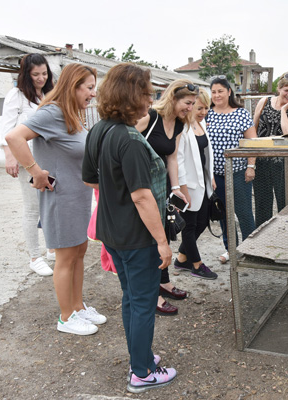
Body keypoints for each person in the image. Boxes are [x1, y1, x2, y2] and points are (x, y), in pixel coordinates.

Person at [82, 63, 177, 393]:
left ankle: (141, 356)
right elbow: (141, 196)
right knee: (143, 301)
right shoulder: (129, 140)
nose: (150, 99)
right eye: (147, 92)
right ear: (131, 95)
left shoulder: (100, 129)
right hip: (137, 238)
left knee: (131, 299)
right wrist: (162, 242)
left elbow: (89, 178)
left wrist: (114, 195)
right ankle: (142, 373)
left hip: (112, 233)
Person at [5, 63, 106, 336]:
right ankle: (65, 317)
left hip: (79, 195)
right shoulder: (51, 113)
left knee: (79, 252)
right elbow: (14, 137)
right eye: (89, 87)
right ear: (73, 86)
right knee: (65, 256)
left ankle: (77, 307)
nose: (93, 94)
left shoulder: (71, 114)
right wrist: (35, 172)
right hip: (61, 198)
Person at [135, 79, 195, 315]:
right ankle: (152, 294)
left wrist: (175, 187)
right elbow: (122, 140)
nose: (190, 108)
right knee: (149, 240)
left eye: (193, 104)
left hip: (162, 187)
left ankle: (163, 281)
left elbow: (172, 157)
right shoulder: (149, 117)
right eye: (187, 103)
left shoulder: (179, 124)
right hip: (142, 185)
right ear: (173, 98)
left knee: (164, 234)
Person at [0, 54, 56, 276]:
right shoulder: (16, 95)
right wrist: (10, 156)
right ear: (26, 75)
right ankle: (34, 256)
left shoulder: (48, 94)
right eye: (35, 74)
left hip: (48, 156)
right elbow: (6, 127)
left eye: (44, 73)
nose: (41, 78)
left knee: (48, 203)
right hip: (27, 159)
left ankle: (51, 248)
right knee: (32, 208)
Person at [206, 76, 257, 263]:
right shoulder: (206, 114)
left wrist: (251, 166)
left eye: (220, 91)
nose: (217, 95)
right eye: (213, 92)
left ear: (229, 92)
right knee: (224, 214)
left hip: (238, 171)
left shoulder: (241, 114)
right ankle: (231, 250)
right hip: (214, 175)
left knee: (243, 212)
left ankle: (250, 249)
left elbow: (252, 143)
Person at [173, 89, 218, 279]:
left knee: (202, 222)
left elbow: (207, 155)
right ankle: (197, 265)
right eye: (199, 108)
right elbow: (178, 160)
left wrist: (212, 177)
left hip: (204, 184)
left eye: (206, 108)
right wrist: (182, 189)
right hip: (188, 186)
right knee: (189, 227)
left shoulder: (201, 125)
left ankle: (182, 258)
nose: (203, 112)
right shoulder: (182, 128)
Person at [252, 72, 288, 227]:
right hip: (262, 161)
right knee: (262, 204)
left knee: (285, 205)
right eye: (286, 90)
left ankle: (283, 238)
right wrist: (251, 161)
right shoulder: (264, 101)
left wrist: (283, 111)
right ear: (279, 88)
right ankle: (260, 241)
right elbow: (253, 130)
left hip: (285, 164)